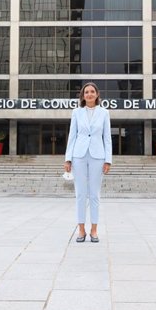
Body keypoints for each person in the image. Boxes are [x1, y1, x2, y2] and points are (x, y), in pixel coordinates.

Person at [64, 82, 112, 243]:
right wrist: (68, 158)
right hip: (79, 155)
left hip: (98, 156)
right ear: (83, 96)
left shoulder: (104, 113)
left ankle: (94, 230)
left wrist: (108, 160)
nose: (89, 94)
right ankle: (81, 229)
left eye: (92, 92)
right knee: (80, 194)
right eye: (86, 92)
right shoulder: (76, 112)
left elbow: (107, 138)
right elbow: (72, 136)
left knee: (94, 194)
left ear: (97, 94)